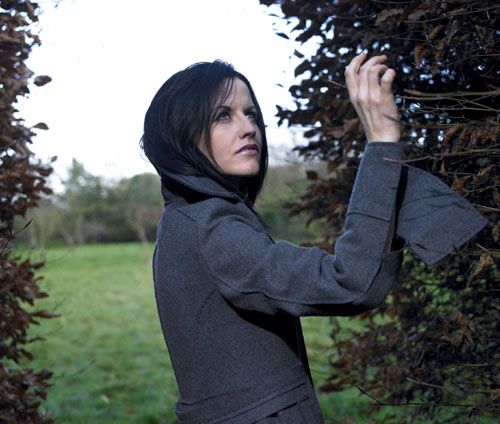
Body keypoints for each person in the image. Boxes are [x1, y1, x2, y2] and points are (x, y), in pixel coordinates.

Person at [141, 54, 486, 423]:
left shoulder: (184, 219)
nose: (249, 128)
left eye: (251, 114)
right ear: (180, 136)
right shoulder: (211, 227)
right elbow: (350, 281)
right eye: (223, 116)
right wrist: (382, 143)